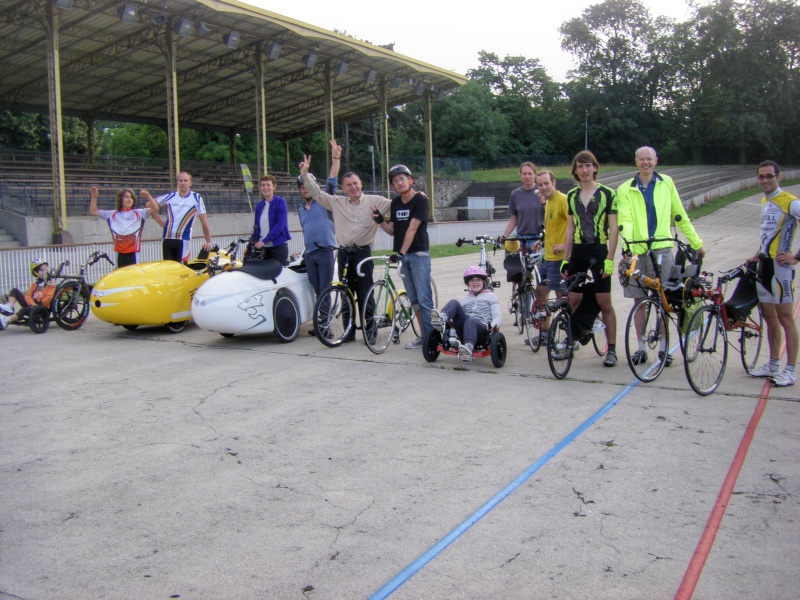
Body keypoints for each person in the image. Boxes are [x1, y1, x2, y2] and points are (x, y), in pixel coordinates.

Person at [614, 146, 706, 367]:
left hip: (662, 249)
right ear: (636, 162)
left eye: (649, 159)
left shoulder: (666, 183)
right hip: (638, 249)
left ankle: (664, 348)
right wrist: (629, 246)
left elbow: (680, 215)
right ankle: (642, 347)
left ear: (655, 161)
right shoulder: (625, 189)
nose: (646, 163)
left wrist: (697, 243)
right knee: (639, 300)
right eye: (642, 159)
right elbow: (624, 220)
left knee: (663, 299)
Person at [298, 154, 390, 342]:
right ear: (344, 188)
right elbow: (316, 193)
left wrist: (418, 196)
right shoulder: (337, 202)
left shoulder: (376, 200)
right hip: (344, 253)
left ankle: (370, 330)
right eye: (349, 185)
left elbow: (398, 205)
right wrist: (305, 174)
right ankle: (348, 332)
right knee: (346, 292)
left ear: (361, 183)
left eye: (355, 183)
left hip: (363, 253)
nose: (353, 187)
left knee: (366, 292)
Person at [561, 150, 619, 367]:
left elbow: (613, 229)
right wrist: (566, 259)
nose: (584, 170)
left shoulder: (607, 193)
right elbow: (570, 227)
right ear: (575, 171)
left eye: (588, 166)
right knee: (573, 299)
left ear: (594, 167)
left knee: (604, 301)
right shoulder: (572, 195)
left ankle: (611, 350)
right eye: (580, 167)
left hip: (599, 249)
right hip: (578, 250)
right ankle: (571, 341)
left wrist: (610, 258)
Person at [746, 160, 799, 387]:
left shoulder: (790, 202)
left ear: (779, 177)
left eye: (769, 176)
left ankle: (791, 369)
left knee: (786, 318)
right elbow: (768, 235)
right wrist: (757, 254)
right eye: (761, 176)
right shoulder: (765, 200)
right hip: (765, 266)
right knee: (769, 317)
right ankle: (774, 364)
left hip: (781, 269)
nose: (765, 180)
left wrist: (796, 257)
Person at [373, 164, 434, 349]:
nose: (399, 183)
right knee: (414, 299)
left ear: (411, 180)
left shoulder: (420, 201)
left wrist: (401, 252)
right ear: (393, 186)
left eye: (402, 178)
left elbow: (413, 228)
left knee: (424, 298)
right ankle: (424, 337)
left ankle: (432, 337)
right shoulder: (396, 203)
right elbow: (393, 231)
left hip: (418, 254)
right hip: (403, 256)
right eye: (395, 181)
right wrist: (380, 222)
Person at [298, 139, 341, 334]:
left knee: (325, 288)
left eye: (308, 186)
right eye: (302, 188)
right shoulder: (300, 209)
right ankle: (322, 321)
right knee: (317, 288)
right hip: (310, 253)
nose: (305, 190)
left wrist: (335, 157)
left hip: (325, 251)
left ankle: (325, 327)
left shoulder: (324, 201)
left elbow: (332, 179)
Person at [429, 266, 501, 363]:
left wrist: (493, 325)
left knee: (470, 321)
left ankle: (468, 348)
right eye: (472, 280)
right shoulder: (464, 299)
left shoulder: (491, 296)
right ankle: (442, 318)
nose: (475, 282)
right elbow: (459, 316)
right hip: (464, 331)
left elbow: (497, 316)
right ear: (467, 283)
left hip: (483, 330)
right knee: (454, 302)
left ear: (484, 281)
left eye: (478, 279)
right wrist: (451, 322)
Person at [141, 171, 212, 263]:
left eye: (185, 181)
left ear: (190, 183)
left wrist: (208, 241)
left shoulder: (196, 198)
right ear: (177, 182)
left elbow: (204, 221)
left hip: (183, 240)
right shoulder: (171, 196)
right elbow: (148, 205)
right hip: (167, 239)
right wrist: (159, 221)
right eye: (180, 180)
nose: (183, 183)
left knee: (182, 269)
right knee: (169, 270)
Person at [532, 170, 569, 341]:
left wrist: (564, 245)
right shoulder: (548, 202)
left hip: (559, 258)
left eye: (546, 183)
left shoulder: (563, 200)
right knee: (541, 295)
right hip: (547, 257)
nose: (543, 187)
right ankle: (545, 333)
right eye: (540, 184)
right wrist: (542, 241)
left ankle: (570, 335)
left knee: (562, 298)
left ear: (554, 182)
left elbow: (573, 226)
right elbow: (553, 228)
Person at [89, 186, 164, 268]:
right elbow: (93, 211)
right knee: (121, 277)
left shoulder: (139, 213)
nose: (129, 199)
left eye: (131, 197)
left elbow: (155, 208)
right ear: (121, 199)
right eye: (127, 197)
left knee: (134, 276)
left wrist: (148, 196)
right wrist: (94, 197)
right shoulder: (111, 214)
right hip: (119, 252)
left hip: (134, 252)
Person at [0, 258, 56, 330]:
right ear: (36, 273)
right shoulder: (35, 284)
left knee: (24, 310)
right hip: (32, 305)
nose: (44, 272)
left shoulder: (51, 284)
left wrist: (38, 305)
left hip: (41, 309)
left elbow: (49, 297)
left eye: (45, 269)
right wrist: (32, 304)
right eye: (41, 270)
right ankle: (9, 307)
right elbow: (28, 295)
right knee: (15, 291)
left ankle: (6, 320)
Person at [500, 162, 544, 246]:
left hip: (538, 238)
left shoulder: (542, 191)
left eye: (530, 174)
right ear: (520, 175)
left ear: (535, 175)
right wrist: (504, 236)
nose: (527, 176)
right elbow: (514, 219)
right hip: (521, 239)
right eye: (524, 174)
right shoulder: (515, 194)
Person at [251, 174, 291, 265]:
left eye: (268, 185)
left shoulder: (280, 202)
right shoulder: (259, 206)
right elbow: (257, 227)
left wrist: (264, 241)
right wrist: (251, 244)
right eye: (263, 185)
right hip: (264, 248)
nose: (265, 188)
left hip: (277, 247)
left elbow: (280, 225)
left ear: (274, 187)